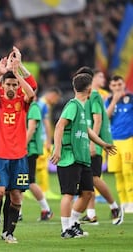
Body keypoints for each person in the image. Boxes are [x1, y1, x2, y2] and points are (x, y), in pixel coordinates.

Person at [50, 73, 116, 239]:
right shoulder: (72, 105)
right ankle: (66, 229)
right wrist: (57, 149)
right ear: (90, 89)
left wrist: (102, 144)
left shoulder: (80, 107)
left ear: (74, 88)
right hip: (69, 157)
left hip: (82, 157)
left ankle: (73, 224)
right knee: (68, 194)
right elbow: (59, 126)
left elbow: (87, 130)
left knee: (87, 192)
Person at [0, 52, 35, 244]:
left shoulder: (22, 100)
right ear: (2, 84)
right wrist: (1, 73)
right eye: (8, 83)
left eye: (14, 84)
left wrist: (17, 69)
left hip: (19, 154)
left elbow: (32, 91)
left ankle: (8, 232)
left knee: (16, 196)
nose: (11, 87)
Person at [74, 67, 123, 225]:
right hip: (87, 141)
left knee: (94, 177)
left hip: (94, 142)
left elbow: (98, 120)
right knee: (87, 179)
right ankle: (91, 214)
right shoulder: (88, 96)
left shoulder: (94, 95)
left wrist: (93, 143)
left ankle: (115, 207)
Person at [105, 75, 133, 214]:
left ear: (124, 85)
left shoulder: (131, 98)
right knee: (118, 173)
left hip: (129, 139)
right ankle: (123, 202)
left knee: (128, 172)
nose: (117, 87)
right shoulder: (109, 100)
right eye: (114, 85)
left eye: (119, 84)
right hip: (113, 141)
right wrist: (114, 101)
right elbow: (105, 117)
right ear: (110, 87)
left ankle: (131, 202)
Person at [26, 94, 53, 221]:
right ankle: (18, 212)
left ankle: (46, 209)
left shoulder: (34, 107)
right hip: (23, 149)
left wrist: (20, 146)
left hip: (28, 150)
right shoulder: (24, 105)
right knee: (18, 181)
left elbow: (31, 129)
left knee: (29, 181)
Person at [35, 87, 62, 200]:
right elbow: (45, 124)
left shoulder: (39, 103)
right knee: (42, 167)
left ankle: (32, 188)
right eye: (56, 98)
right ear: (52, 95)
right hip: (41, 139)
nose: (56, 101)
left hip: (38, 139)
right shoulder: (43, 105)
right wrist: (48, 140)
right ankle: (44, 190)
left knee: (36, 166)